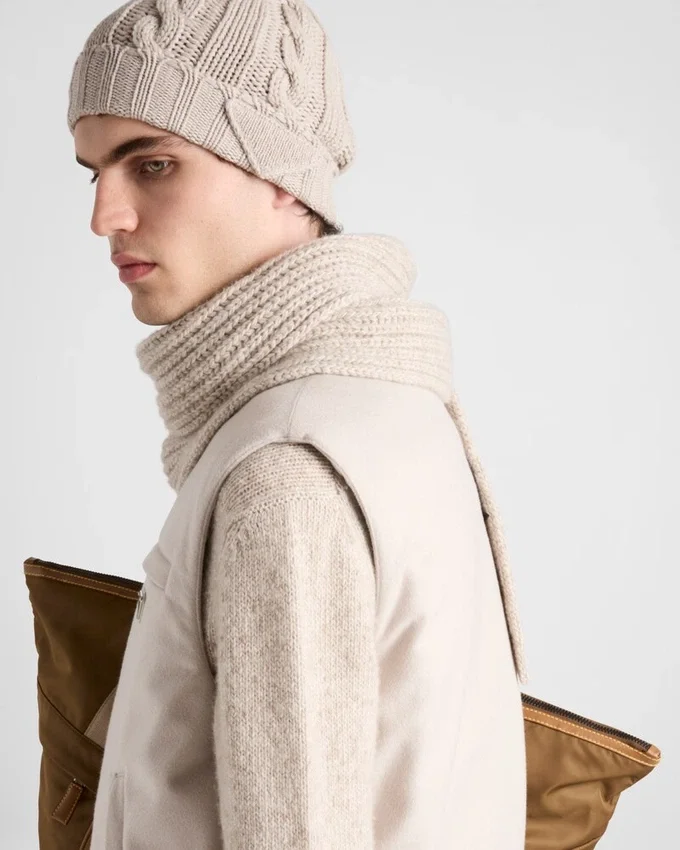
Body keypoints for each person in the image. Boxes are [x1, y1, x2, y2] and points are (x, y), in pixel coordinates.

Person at [67, 1, 529, 847]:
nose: (106, 216)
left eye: (154, 164)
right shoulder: (389, 398)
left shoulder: (285, 474)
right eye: (93, 172)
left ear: (284, 175)